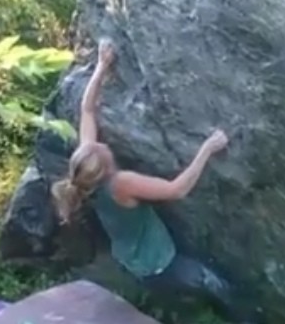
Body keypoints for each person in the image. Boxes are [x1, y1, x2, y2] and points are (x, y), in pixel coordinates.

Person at [51, 40, 257, 323]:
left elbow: (87, 111)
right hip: (158, 264)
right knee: (211, 284)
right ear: (105, 167)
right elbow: (177, 190)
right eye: (100, 147)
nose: (100, 143)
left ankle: (177, 306)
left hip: (131, 257)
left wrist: (101, 66)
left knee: (182, 292)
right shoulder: (121, 184)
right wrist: (208, 149)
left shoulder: (83, 174)